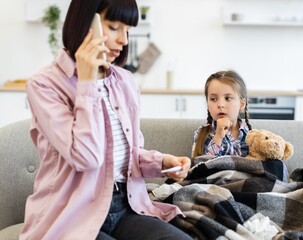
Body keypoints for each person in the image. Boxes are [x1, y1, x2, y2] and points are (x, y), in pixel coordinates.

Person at [19, 0, 192, 239]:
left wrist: (161, 163)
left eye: (128, 30)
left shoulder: (124, 81)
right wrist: (88, 81)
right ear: (86, 24)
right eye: (113, 27)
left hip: (125, 207)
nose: (124, 40)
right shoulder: (44, 85)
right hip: (72, 214)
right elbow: (87, 158)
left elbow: (128, 153)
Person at [192, 70, 252, 158]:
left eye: (228, 98)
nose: (220, 105)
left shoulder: (251, 137)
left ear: (242, 104)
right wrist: (218, 136)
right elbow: (202, 166)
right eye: (213, 99)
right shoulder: (201, 133)